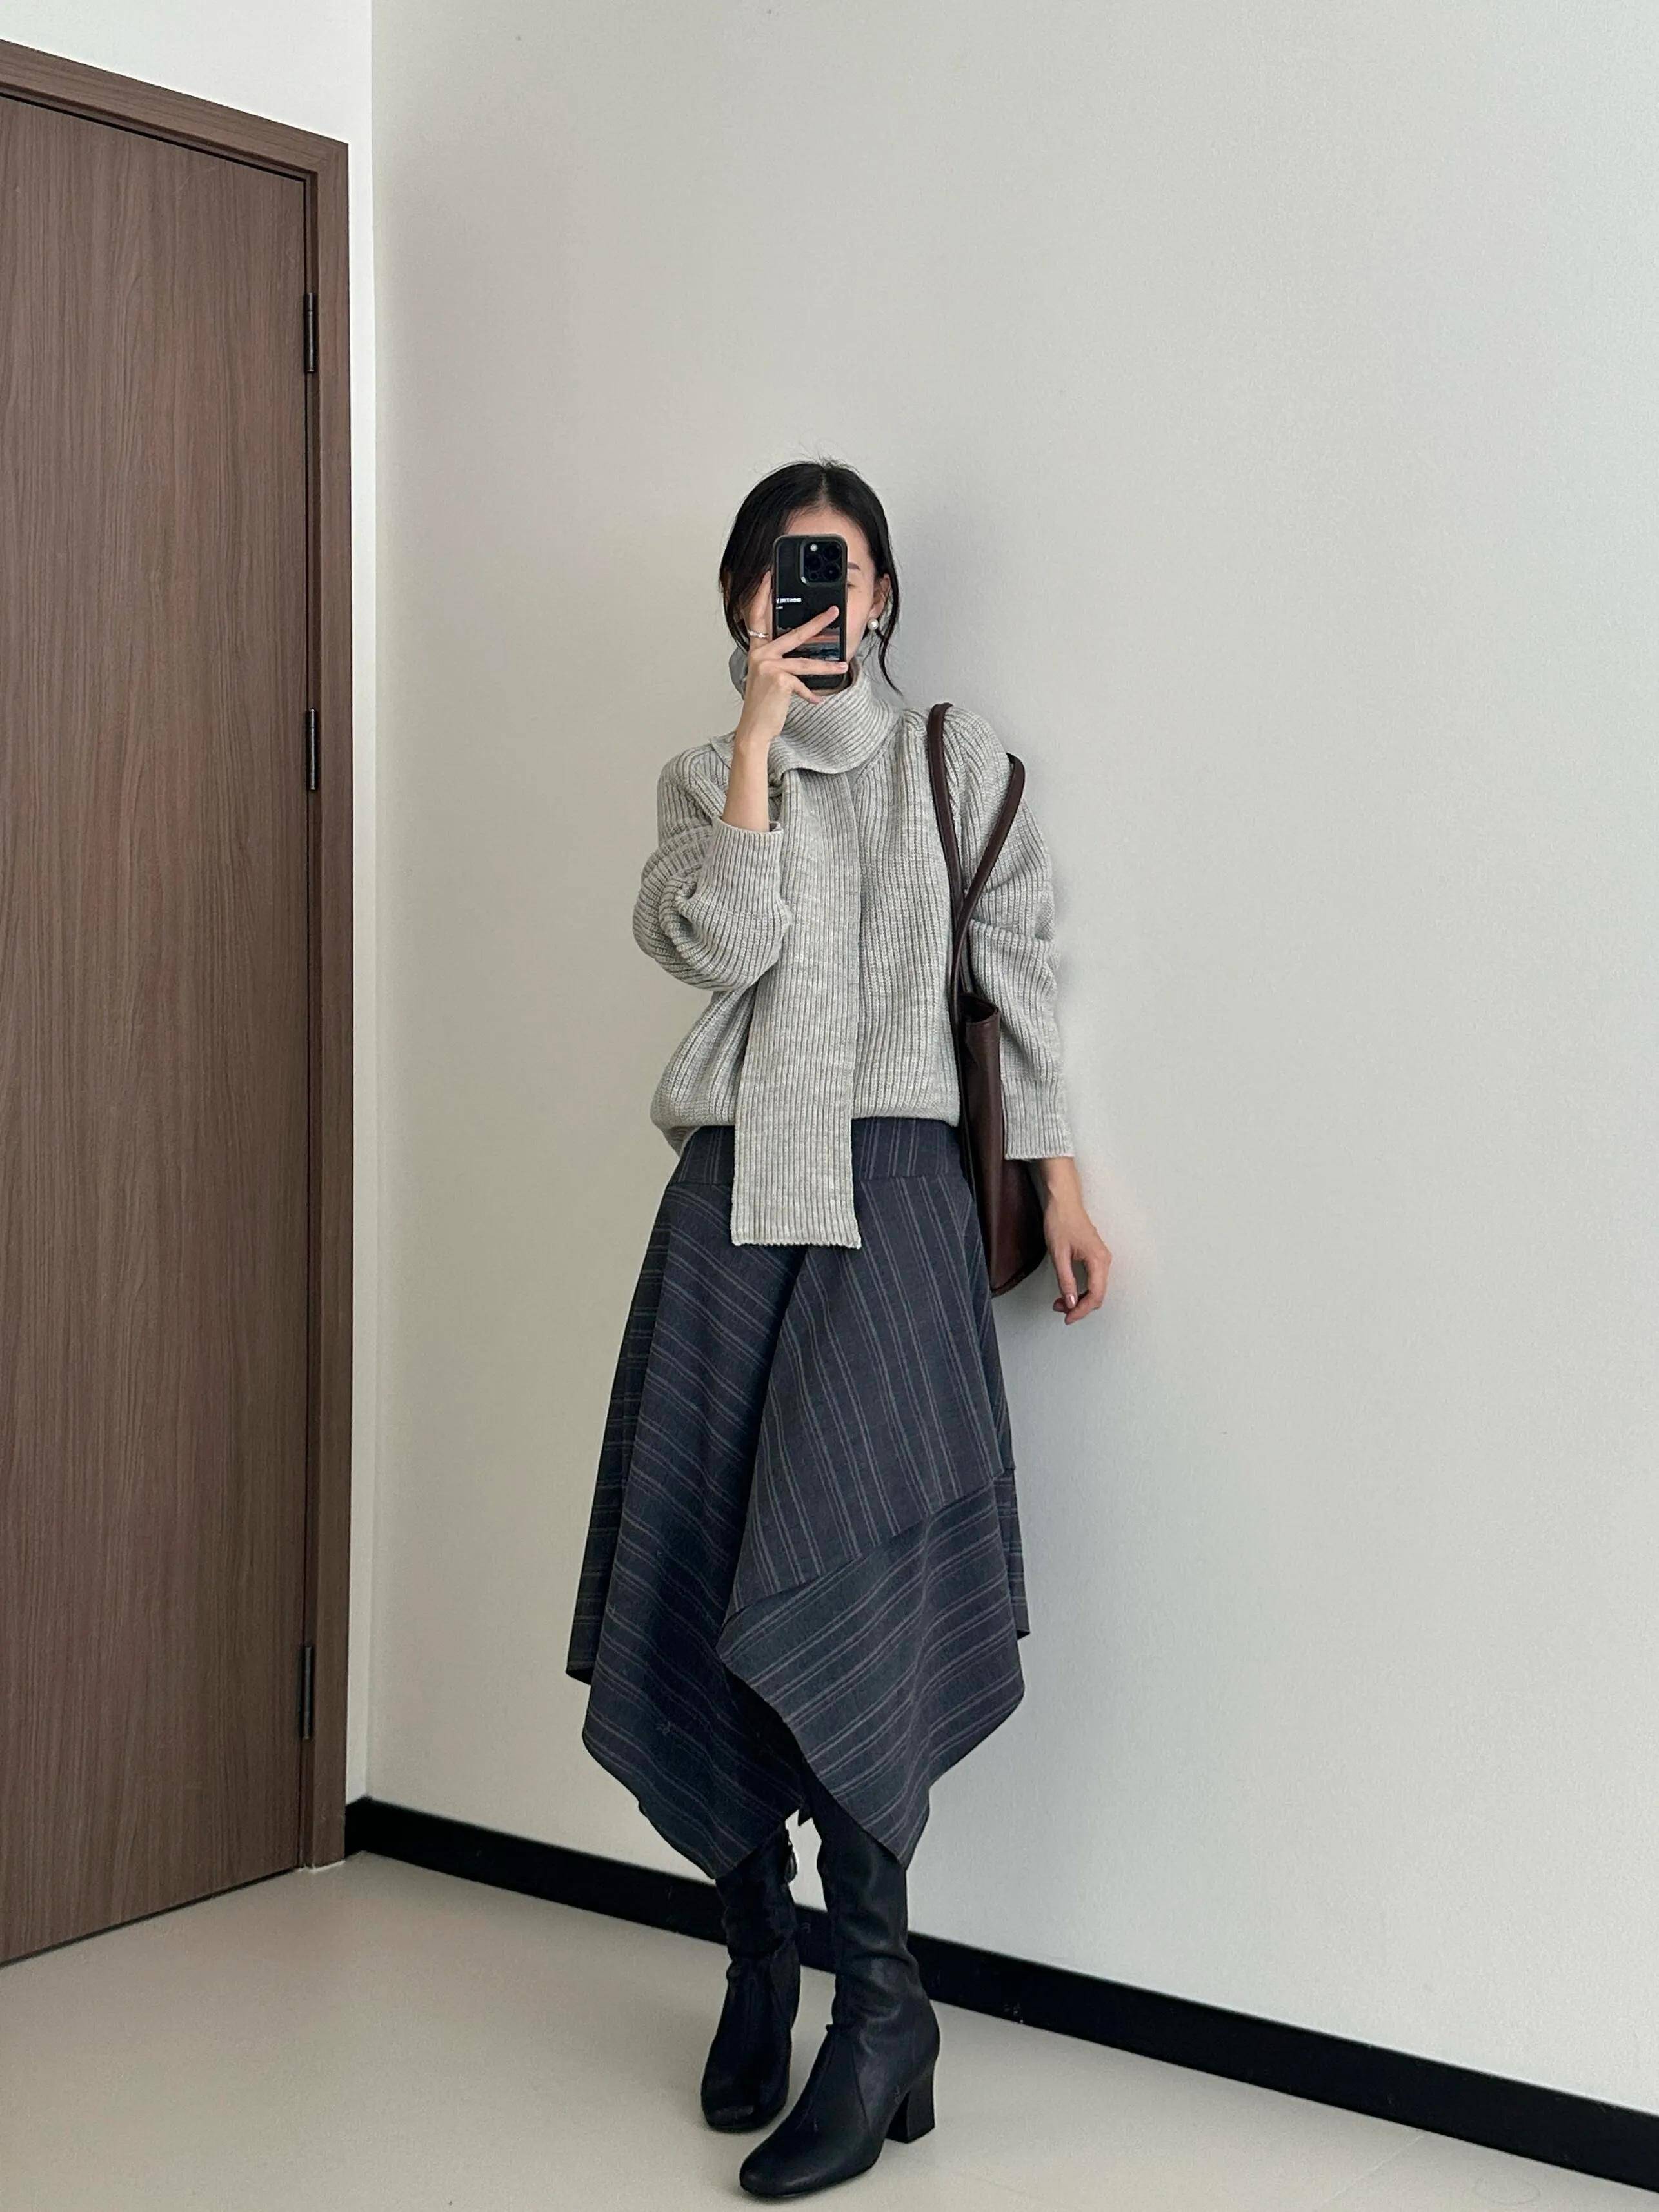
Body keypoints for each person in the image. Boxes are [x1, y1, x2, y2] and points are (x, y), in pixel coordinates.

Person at [565, 457, 1111, 2199]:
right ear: (746, 598)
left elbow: (1019, 974)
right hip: (734, 1201)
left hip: (893, 1206)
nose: (821, 596)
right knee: (700, 1566)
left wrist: (1061, 1185)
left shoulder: (955, 756)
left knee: (852, 1565)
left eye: (845, 568)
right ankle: (760, 1965)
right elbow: (723, 948)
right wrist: (752, 741)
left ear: (881, 596)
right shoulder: (698, 777)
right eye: (786, 571)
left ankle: (881, 2012)